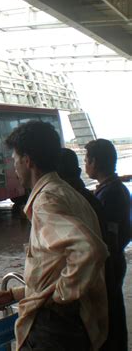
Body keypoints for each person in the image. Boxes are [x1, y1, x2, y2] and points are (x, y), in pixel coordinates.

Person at [0, 121, 109, 350]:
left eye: (15, 161)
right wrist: (16, 294)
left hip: (55, 328)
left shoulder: (46, 202)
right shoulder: (68, 194)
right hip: (77, 323)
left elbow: (90, 250)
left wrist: (60, 296)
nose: (14, 168)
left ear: (28, 161)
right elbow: (55, 267)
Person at [58, 147, 121, 351]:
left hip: (105, 267)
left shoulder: (92, 197)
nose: (85, 165)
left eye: (87, 160)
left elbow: (106, 242)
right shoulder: (96, 194)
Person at [85, 138, 130, 351]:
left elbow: (111, 236)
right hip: (116, 259)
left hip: (110, 263)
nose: (85, 165)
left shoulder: (109, 193)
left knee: (110, 315)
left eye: (86, 160)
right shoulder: (115, 188)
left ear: (94, 162)